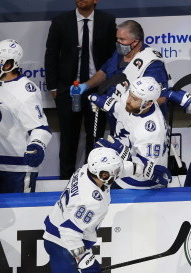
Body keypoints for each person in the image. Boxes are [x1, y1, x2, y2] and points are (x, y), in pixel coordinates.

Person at [1, 147, 123, 273]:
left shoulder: (87, 169)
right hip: (66, 244)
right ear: (98, 172)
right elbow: (69, 232)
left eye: (112, 172)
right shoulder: (90, 200)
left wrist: (141, 169)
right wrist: (86, 260)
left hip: (54, 237)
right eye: (106, 175)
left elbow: (115, 168)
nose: (111, 177)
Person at [44, 0, 116, 179]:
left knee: (95, 138)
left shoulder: (107, 21)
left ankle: (93, 180)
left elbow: (111, 58)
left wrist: (108, 87)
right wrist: (54, 87)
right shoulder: (60, 21)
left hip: (97, 90)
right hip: (67, 90)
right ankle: (66, 181)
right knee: (68, 139)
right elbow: (51, 55)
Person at [71, 19, 169, 133]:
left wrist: (120, 106)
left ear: (135, 41)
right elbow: (104, 71)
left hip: (141, 125)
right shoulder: (119, 53)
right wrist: (85, 86)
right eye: (117, 38)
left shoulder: (151, 63)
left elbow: (161, 98)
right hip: (118, 121)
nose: (118, 42)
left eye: (122, 39)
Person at [89, 76, 171, 189]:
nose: (128, 100)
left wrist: (120, 151)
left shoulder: (152, 131)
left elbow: (149, 170)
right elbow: (122, 109)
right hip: (121, 169)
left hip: (138, 183)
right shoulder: (134, 101)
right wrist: (103, 102)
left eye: (134, 99)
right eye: (130, 95)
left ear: (148, 104)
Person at [0, 39, 52, 194]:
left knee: (21, 215)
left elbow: (41, 128)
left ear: (7, 65)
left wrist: (37, 145)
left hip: (17, 169)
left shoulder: (25, 91)